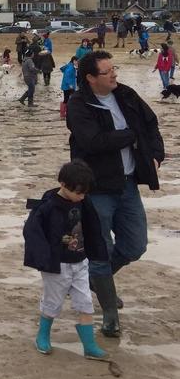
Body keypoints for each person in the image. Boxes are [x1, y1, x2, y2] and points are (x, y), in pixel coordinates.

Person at [67, 50, 164, 338]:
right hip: (96, 188)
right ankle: (110, 315)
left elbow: (150, 123)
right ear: (91, 78)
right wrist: (131, 135)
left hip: (128, 184)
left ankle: (97, 280)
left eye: (114, 69)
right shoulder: (79, 104)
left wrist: (156, 155)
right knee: (99, 251)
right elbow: (93, 141)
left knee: (135, 245)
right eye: (107, 71)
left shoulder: (126, 95)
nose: (114, 75)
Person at [23, 160, 110, 361]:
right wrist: (42, 258)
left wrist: (96, 250)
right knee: (52, 302)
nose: (81, 196)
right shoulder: (47, 206)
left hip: (80, 261)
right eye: (78, 192)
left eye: (85, 193)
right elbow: (32, 232)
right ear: (63, 183)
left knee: (85, 302)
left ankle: (89, 346)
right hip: (57, 264)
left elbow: (93, 226)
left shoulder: (83, 202)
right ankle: (43, 335)